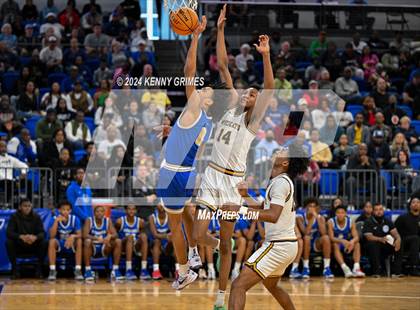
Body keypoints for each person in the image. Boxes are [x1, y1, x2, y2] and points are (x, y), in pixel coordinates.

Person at [191, 6, 275, 308]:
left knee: (227, 244)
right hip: (212, 176)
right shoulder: (229, 108)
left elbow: (269, 87)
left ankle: (220, 299)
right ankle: (212, 248)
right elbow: (224, 65)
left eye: (251, 95)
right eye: (246, 92)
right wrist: (221, 29)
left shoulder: (252, 122)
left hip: (231, 185)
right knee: (200, 234)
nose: (246, 94)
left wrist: (265, 55)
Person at [155, 15, 214, 290]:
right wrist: (173, 132)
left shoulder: (195, 109)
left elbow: (188, 71)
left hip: (174, 175)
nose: (199, 89)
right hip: (187, 174)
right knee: (187, 212)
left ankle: (184, 272)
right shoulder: (205, 121)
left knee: (172, 225)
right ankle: (193, 253)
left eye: (204, 91)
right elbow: (188, 139)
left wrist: (195, 37)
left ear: (207, 101)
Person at [222, 144, 309, 310]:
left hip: (278, 245)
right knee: (272, 286)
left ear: (285, 163)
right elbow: (263, 208)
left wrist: (239, 209)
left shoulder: (281, 183)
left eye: (283, 151)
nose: (278, 150)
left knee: (238, 286)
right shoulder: (279, 182)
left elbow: (272, 216)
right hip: (287, 244)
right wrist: (246, 197)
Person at [6, 198, 47, 279]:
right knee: (9, 242)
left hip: (33, 245)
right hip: (20, 245)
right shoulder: (14, 217)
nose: (27, 208)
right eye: (25, 206)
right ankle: (15, 271)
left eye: (29, 206)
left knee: (44, 242)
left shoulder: (36, 217)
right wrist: (21, 237)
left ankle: (39, 270)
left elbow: (42, 233)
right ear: (20, 207)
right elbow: (9, 233)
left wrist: (35, 237)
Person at [83, 205, 124, 281]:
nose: (99, 213)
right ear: (94, 213)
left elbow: (116, 234)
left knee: (118, 241)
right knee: (87, 241)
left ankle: (115, 270)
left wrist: (110, 236)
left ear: (104, 213)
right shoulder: (89, 220)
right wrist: (97, 238)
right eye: (97, 211)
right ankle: (88, 270)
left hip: (104, 247)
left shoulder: (108, 221)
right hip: (92, 248)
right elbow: (85, 235)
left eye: (102, 211)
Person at [296, 198, 334, 279]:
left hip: (316, 243)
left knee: (326, 238)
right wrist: (312, 218)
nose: (312, 208)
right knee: (306, 238)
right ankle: (306, 267)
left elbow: (323, 232)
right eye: (310, 206)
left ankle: (327, 268)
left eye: (314, 206)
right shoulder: (300, 217)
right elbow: (305, 232)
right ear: (306, 208)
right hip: (304, 244)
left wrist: (317, 218)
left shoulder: (321, 217)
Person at [363, 203, 402, 277]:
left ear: (383, 210)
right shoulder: (368, 222)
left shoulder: (387, 221)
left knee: (399, 243)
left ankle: (396, 272)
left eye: (380, 209)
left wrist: (398, 239)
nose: (379, 211)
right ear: (373, 212)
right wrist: (380, 239)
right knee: (373, 244)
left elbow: (395, 233)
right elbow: (369, 237)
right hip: (372, 246)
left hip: (385, 245)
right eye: (376, 210)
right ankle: (376, 272)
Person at [47, 201, 83, 281]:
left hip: (71, 244)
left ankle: (78, 270)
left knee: (79, 240)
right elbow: (52, 236)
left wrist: (73, 236)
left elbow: (80, 234)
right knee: (51, 241)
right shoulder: (54, 219)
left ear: (70, 211)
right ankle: (52, 270)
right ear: (59, 210)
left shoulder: (75, 219)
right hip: (60, 244)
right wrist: (56, 222)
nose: (66, 211)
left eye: (68, 210)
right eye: (63, 209)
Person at [327, 205, 365, 278]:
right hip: (336, 243)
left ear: (345, 214)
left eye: (342, 213)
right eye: (338, 213)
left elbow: (356, 237)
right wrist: (342, 241)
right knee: (335, 244)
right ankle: (345, 268)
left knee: (357, 244)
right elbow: (331, 238)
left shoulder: (350, 222)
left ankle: (356, 268)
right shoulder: (331, 222)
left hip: (346, 243)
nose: (340, 214)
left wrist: (352, 242)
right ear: (335, 213)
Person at [114, 204, 150, 280]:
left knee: (143, 236)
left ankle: (143, 269)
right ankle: (128, 269)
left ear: (136, 211)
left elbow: (141, 234)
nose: (131, 211)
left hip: (135, 246)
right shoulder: (120, 221)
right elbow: (115, 235)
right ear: (126, 210)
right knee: (129, 238)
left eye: (133, 209)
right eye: (129, 209)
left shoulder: (140, 221)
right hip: (123, 246)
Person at [395, 196, 420, 276]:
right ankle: (413, 267)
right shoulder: (402, 218)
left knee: (416, 239)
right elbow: (395, 232)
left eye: (418, 202)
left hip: (417, 242)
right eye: (413, 202)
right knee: (415, 238)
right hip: (404, 242)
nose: (416, 204)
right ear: (410, 205)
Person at [0, 141, 28, 207]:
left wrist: (22, 174)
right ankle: (6, 204)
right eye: (1, 147)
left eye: (5, 147)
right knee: (8, 183)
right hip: (1, 180)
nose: (3, 148)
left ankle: (27, 204)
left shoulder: (10, 158)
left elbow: (24, 166)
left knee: (28, 183)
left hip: (12, 180)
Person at [148, 203, 171, 280]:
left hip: (167, 245)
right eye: (159, 204)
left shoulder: (170, 216)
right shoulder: (152, 217)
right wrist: (166, 236)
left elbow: (172, 233)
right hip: (155, 245)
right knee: (157, 241)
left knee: (174, 241)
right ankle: (156, 270)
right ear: (156, 206)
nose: (161, 206)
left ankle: (178, 271)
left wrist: (169, 236)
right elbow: (155, 234)